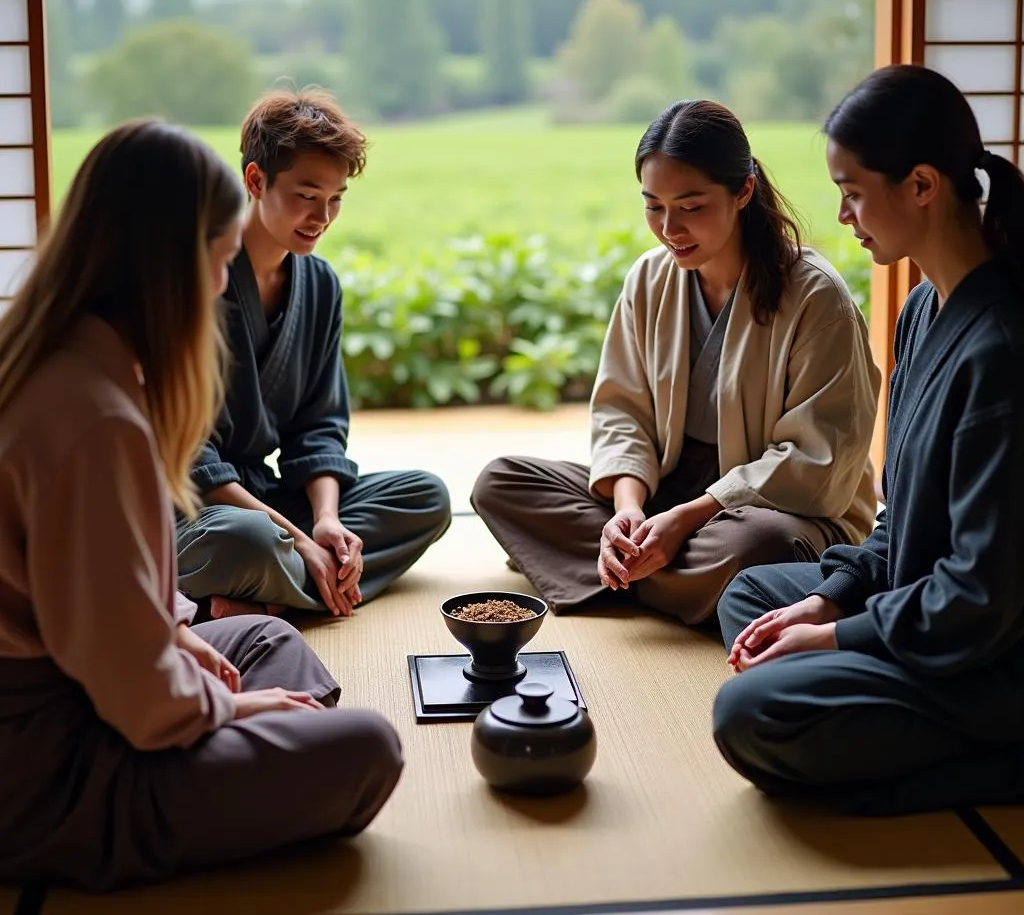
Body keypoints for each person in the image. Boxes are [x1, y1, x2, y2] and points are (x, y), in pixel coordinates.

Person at [0, 120, 403, 891]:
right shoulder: (96, 421)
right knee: (367, 750)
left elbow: (104, 616)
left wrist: (184, 642)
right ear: (166, 265)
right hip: (49, 763)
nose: (224, 285)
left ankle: (247, 741)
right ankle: (239, 759)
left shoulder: (79, 362)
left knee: (259, 639)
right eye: (219, 262)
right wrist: (236, 713)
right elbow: (134, 697)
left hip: (95, 686)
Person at [714, 64, 1024, 815]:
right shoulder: (922, 310)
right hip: (919, 603)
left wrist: (837, 639)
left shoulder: (1003, 350)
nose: (845, 215)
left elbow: (981, 595)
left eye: (853, 191)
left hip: (984, 656)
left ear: (922, 185)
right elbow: (897, 521)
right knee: (755, 595)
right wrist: (830, 602)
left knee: (750, 713)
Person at [471, 100, 880, 624]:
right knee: (501, 483)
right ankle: (663, 575)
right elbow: (622, 413)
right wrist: (628, 510)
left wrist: (690, 518)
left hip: (763, 510)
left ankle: (618, 576)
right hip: (664, 492)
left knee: (761, 544)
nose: (670, 228)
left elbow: (819, 460)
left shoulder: (815, 296)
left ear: (743, 192)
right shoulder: (649, 278)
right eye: (653, 206)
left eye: (691, 207)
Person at [176, 88, 451, 621]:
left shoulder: (320, 285)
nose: (323, 216)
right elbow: (190, 456)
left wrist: (324, 521)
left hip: (269, 500)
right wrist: (297, 539)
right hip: (198, 513)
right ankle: (290, 595)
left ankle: (253, 602)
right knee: (248, 541)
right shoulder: (196, 278)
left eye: (337, 197)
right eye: (307, 195)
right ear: (256, 181)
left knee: (425, 497)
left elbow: (320, 426)